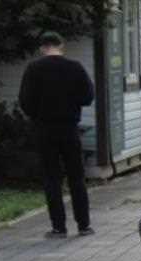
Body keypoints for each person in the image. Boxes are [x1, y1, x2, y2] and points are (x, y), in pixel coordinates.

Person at [18, 32, 95, 237]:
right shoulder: (75, 67)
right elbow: (88, 96)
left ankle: (58, 227)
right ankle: (84, 225)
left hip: (44, 129)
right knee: (76, 177)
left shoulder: (33, 69)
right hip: (69, 128)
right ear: (61, 45)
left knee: (51, 178)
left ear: (42, 48)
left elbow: (25, 101)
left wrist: (37, 114)